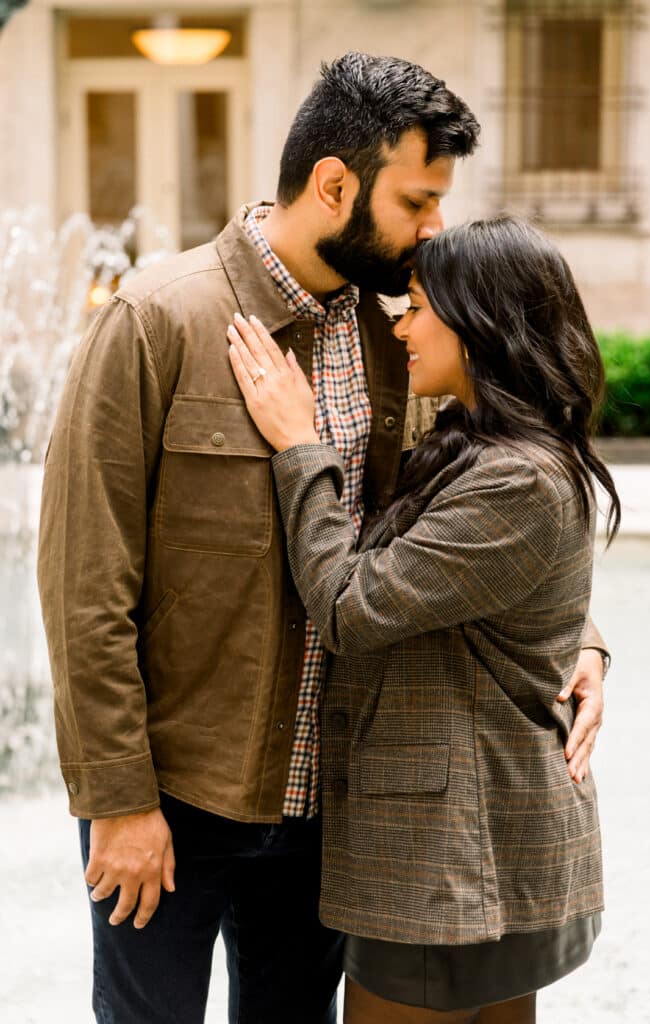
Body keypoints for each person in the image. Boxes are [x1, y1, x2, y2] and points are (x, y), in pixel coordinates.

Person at [37, 52, 608, 1024]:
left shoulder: (403, 339)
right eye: (417, 201)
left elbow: (476, 518)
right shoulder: (156, 321)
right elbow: (85, 582)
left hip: (335, 809)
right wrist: (119, 797)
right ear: (334, 183)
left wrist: (579, 637)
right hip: (177, 797)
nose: (433, 229)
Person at [226, 214, 620, 1024]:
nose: (400, 322)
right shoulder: (484, 443)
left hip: (451, 862)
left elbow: (345, 606)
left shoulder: (514, 478)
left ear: (480, 322)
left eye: (415, 304)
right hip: (483, 854)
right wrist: (587, 639)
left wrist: (299, 445)